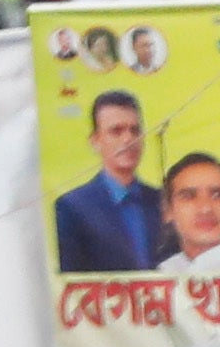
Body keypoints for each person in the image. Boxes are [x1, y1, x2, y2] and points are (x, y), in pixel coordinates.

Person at [53, 82, 175, 271]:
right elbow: (71, 281)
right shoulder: (73, 207)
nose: (128, 139)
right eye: (116, 131)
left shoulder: (164, 202)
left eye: (134, 130)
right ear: (95, 141)